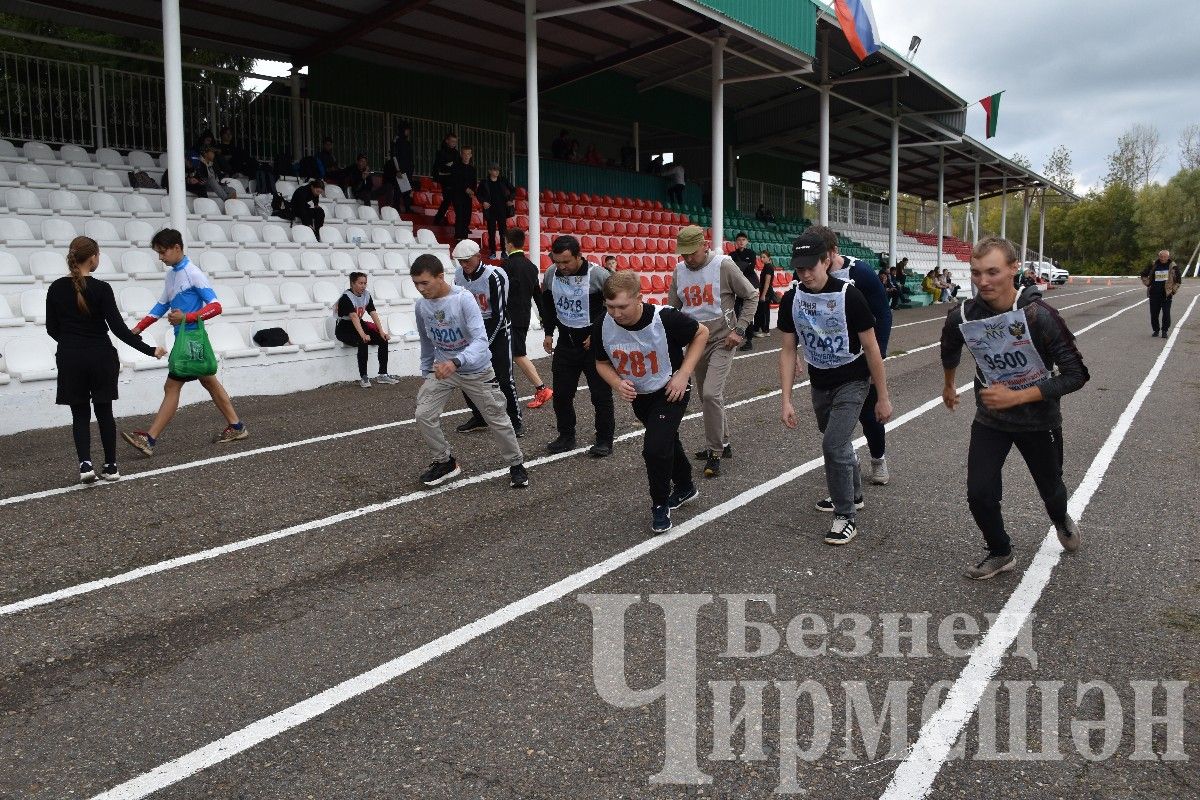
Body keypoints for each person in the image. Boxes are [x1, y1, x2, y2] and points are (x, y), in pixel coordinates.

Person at [940, 236, 1089, 579]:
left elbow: (1077, 375)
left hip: (1039, 420)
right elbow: (949, 346)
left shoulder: (1039, 316)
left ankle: (1060, 518)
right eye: (976, 273)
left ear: (1013, 269)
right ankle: (1000, 551)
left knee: (1051, 490)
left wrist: (1018, 396)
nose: (983, 281)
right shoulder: (963, 315)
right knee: (979, 493)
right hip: (991, 417)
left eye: (992, 272)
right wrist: (949, 384)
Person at [778, 232, 892, 546]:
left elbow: (871, 348)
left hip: (853, 380)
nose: (805, 273)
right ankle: (853, 494)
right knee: (837, 443)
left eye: (811, 266)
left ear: (827, 260)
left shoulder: (850, 295)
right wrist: (786, 399)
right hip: (820, 381)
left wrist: (882, 396)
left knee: (833, 444)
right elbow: (788, 350)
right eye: (799, 268)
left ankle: (845, 517)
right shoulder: (792, 299)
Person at [595, 271, 710, 533]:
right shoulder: (603, 322)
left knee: (654, 448)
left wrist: (683, 373)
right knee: (666, 440)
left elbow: (701, 333)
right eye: (610, 306)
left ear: (639, 299)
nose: (616, 313)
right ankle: (685, 486)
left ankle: (660, 505)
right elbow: (601, 363)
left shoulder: (664, 317)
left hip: (671, 389)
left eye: (622, 306)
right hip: (640, 395)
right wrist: (617, 383)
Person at [121, 228, 248, 456]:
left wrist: (187, 317)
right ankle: (236, 426)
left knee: (172, 386)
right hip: (187, 340)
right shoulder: (172, 274)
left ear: (177, 248)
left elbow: (216, 306)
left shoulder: (192, 273)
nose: (160, 257)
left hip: (191, 341)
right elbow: (161, 305)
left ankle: (149, 439)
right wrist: (139, 328)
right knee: (209, 382)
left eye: (163, 252)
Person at [48, 237, 164, 482]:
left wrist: (70, 341)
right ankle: (110, 466)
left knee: (79, 413)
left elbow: (52, 329)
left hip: (70, 357)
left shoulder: (56, 288)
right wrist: (149, 350)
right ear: (93, 258)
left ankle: (85, 465)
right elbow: (119, 330)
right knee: (104, 411)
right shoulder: (102, 288)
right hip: (100, 355)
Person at [410, 253, 529, 489]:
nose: (420, 289)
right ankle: (445, 461)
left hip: (475, 369)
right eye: (416, 284)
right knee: (423, 414)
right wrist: (427, 372)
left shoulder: (463, 299)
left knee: (497, 418)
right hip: (443, 368)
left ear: (440, 277)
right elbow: (426, 341)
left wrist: (457, 361)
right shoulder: (421, 306)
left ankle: (516, 464)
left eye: (425, 283)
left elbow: (481, 340)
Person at [807, 224, 896, 488]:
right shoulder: (808, 274)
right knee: (830, 422)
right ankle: (847, 456)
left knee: (869, 414)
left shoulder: (861, 274)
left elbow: (884, 315)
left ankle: (878, 458)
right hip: (827, 359)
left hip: (858, 357)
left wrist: (876, 356)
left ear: (833, 252)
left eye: (821, 258)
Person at [666, 225, 757, 478]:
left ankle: (714, 450)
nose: (687, 259)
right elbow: (672, 309)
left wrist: (739, 330)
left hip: (722, 340)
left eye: (691, 253)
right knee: (709, 395)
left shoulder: (723, 266)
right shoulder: (679, 271)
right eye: (683, 255)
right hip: (695, 342)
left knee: (710, 393)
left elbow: (751, 295)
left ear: (704, 245)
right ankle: (724, 443)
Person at [541, 234, 615, 456]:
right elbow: (547, 303)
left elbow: (613, 307)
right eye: (557, 261)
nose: (561, 266)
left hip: (593, 344)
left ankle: (604, 439)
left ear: (579, 256)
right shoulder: (551, 274)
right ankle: (566, 435)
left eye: (566, 261)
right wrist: (548, 332)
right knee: (562, 394)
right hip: (566, 341)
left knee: (600, 395)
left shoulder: (598, 275)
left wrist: (597, 333)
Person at [452, 239, 522, 436]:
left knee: (503, 378)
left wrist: (484, 344)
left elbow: (499, 314)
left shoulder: (494, 275)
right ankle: (479, 416)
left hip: (498, 330)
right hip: (473, 331)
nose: (464, 265)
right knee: (466, 375)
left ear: (477, 256)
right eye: (460, 262)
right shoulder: (458, 276)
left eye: (467, 260)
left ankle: (514, 420)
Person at [501, 229, 553, 409]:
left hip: (508, 319)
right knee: (514, 355)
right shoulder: (531, 267)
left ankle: (542, 388)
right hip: (523, 317)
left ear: (508, 243)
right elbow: (537, 297)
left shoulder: (506, 266)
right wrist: (544, 321)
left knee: (517, 355)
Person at [334, 272, 398, 388]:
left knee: (382, 340)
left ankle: (382, 375)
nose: (363, 286)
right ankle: (364, 377)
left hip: (359, 324)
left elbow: (373, 313)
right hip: (344, 328)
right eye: (360, 283)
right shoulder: (346, 297)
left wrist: (381, 331)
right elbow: (353, 316)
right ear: (353, 283)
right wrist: (363, 334)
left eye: (365, 283)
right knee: (362, 340)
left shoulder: (366, 295)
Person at [1140, 249, 1182, 337]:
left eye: (1165, 257)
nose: (1163, 258)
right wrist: (1147, 283)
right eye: (1161, 257)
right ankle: (1156, 330)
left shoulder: (1173, 266)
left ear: (1168, 257)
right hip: (1154, 293)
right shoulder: (1153, 265)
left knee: (1166, 313)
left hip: (1166, 294)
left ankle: (1164, 331)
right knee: (1154, 314)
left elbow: (1178, 281)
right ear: (1159, 257)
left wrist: (1172, 291)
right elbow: (1143, 274)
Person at [476, 162, 515, 257]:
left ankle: (503, 252)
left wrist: (510, 200)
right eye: (494, 169)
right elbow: (478, 194)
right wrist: (483, 202)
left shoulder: (503, 180)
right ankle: (492, 252)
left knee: (503, 233)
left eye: (497, 170)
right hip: (490, 211)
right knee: (491, 232)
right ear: (489, 171)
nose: (496, 171)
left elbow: (513, 190)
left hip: (502, 210)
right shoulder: (484, 182)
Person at [728, 232, 759, 350]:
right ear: (736, 242)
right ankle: (734, 336)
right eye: (739, 240)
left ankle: (749, 340)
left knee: (747, 313)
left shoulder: (751, 253)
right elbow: (730, 270)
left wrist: (737, 267)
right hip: (736, 286)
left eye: (743, 239)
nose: (741, 242)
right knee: (735, 312)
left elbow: (751, 268)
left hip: (748, 286)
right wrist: (743, 265)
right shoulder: (731, 255)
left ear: (747, 241)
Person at [385, 120, 415, 213]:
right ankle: (396, 209)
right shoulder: (397, 141)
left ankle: (407, 208)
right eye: (407, 130)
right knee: (398, 190)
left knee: (406, 190)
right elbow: (394, 156)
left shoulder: (406, 142)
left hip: (407, 170)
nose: (408, 131)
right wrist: (397, 170)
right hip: (400, 170)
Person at [431, 132, 460, 225]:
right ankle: (437, 219)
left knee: (454, 202)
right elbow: (437, 167)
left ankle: (459, 223)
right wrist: (435, 179)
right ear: (447, 141)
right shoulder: (441, 152)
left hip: (455, 180)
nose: (453, 143)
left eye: (455, 142)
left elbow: (458, 166)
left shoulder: (456, 153)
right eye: (452, 141)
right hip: (446, 180)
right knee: (448, 200)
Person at [450, 146, 478, 241]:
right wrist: (465, 189)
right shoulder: (455, 167)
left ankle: (465, 237)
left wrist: (472, 191)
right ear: (461, 155)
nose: (466, 156)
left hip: (468, 197)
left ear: (471, 155)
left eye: (468, 154)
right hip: (457, 195)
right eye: (464, 154)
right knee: (460, 215)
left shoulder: (472, 169)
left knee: (467, 216)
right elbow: (455, 181)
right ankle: (458, 237)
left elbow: (474, 182)